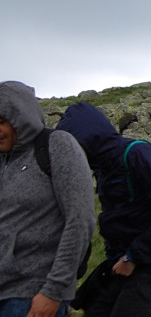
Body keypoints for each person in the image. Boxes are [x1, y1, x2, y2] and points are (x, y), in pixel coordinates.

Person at [56, 103, 151, 317]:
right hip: (117, 266)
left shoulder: (138, 154)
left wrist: (134, 256)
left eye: (72, 147)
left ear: (86, 140)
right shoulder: (102, 167)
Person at [0, 81, 95, 317]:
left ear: (20, 117)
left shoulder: (58, 146)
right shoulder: (4, 162)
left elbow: (80, 220)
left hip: (31, 297)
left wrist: (53, 292)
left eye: (2, 121)